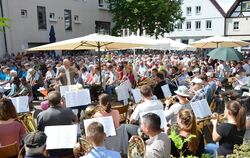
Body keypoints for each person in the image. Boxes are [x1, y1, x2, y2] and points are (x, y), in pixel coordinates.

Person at [37, 91, 77, 157]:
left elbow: (39, 132)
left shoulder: (41, 115)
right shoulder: (68, 111)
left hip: (50, 150)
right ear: (60, 100)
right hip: (68, 147)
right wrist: (65, 106)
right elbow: (76, 120)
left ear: (48, 102)